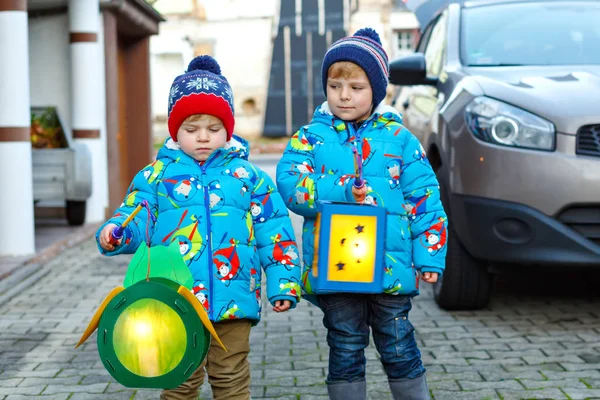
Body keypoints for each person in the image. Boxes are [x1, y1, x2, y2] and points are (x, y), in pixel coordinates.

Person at [96, 55, 301, 400]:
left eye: (214, 129)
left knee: (232, 378)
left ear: (229, 129)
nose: (203, 138)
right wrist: (117, 232)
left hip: (233, 301)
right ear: (175, 130)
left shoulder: (248, 178)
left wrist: (284, 283)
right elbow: (137, 216)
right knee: (178, 380)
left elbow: (275, 232)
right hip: (174, 302)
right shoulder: (156, 177)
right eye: (191, 130)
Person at [275, 28, 447, 400]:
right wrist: (339, 190)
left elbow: (425, 200)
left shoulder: (400, 139)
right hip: (337, 269)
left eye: (356, 87)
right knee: (346, 345)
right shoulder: (310, 138)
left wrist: (429, 255)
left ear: (377, 90)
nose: (344, 96)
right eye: (335, 86)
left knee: (398, 345)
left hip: (391, 268)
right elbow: (290, 184)